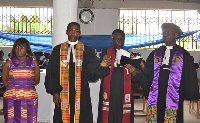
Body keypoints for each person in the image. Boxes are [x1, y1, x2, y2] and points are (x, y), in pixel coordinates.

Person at [44, 22, 110, 123]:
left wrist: (101, 66)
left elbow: (91, 73)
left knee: (81, 117)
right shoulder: (58, 50)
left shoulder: (87, 50)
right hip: (62, 91)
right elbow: (52, 72)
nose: (73, 33)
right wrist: (55, 92)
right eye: (71, 30)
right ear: (66, 32)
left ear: (80, 33)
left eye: (76, 31)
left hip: (81, 93)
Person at [136, 23, 200, 123]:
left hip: (174, 93)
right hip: (158, 92)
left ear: (175, 35)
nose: (165, 34)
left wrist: (189, 92)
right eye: (164, 33)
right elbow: (148, 72)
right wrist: (143, 67)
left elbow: (189, 75)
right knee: (157, 115)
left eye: (168, 32)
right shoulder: (155, 53)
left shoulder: (183, 54)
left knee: (173, 117)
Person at [97, 29, 137, 123]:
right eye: (117, 39)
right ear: (112, 39)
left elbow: (136, 75)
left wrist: (134, 71)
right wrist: (103, 63)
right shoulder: (105, 53)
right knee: (109, 115)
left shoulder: (129, 54)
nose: (120, 42)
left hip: (123, 90)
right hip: (110, 90)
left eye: (122, 39)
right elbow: (99, 71)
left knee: (122, 115)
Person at [2, 38, 40, 122]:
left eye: (22, 47)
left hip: (29, 98)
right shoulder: (9, 63)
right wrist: (15, 88)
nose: (19, 49)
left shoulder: (34, 63)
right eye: (17, 47)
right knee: (11, 119)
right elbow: (4, 81)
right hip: (12, 97)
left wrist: (25, 87)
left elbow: (36, 81)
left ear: (27, 49)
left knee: (29, 119)